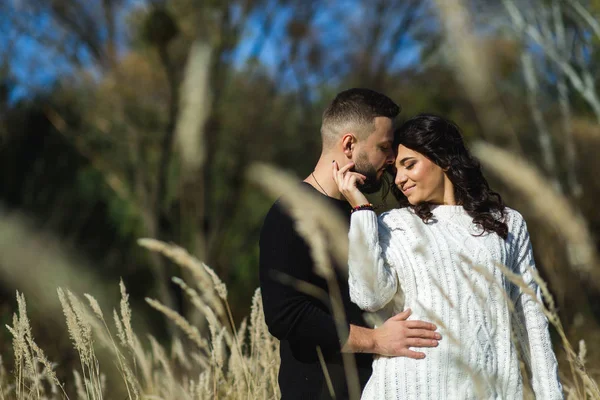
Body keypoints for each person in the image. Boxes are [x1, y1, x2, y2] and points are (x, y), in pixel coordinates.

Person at [333, 113, 564, 399]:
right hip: (408, 388)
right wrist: (361, 211)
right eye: (396, 170)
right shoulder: (392, 224)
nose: (400, 179)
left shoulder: (507, 223)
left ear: (444, 160)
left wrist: (551, 394)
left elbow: (531, 319)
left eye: (410, 165)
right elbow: (369, 297)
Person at [259, 90, 442, 400]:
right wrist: (376, 340)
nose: (391, 159)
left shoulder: (364, 215)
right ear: (348, 145)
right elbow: (286, 317)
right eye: (384, 147)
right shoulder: (289, 212)